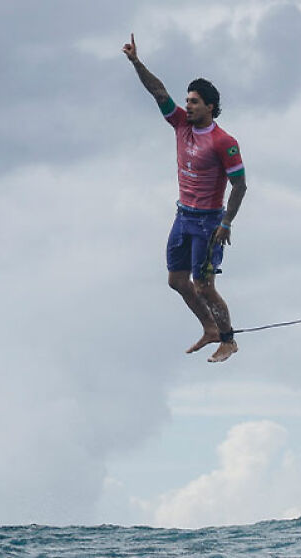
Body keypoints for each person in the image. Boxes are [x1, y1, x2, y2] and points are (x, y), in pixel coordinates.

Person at [123, 33, 247, 363]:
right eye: (187, 101)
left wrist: (226, 222)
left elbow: (240, 185)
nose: (187, 106)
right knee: (177, 280)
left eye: (194, 102)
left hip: (209, 222)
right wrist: (136, 62)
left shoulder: (223, 142)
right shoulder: (181, 124)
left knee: (204, 285)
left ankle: (228, 340)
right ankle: (209, 328)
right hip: (183, 216)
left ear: (209, 107)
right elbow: (159, 92)